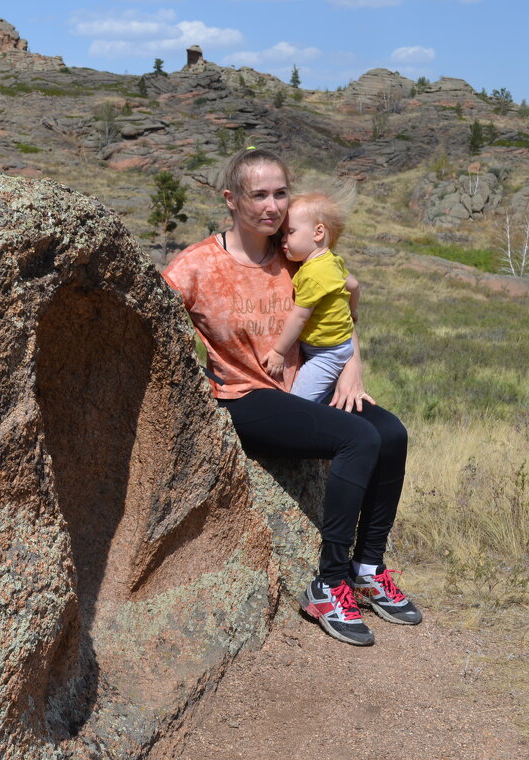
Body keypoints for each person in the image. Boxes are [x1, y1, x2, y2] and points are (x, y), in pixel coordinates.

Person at [162, 148, 421, 646]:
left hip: (308, 389)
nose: (272, 206)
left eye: (281, 193)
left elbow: (340, 304)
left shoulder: (295, 253)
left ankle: (368, 566)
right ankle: (329, 582)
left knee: (390, 432)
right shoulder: (196, 266)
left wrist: (352, 367)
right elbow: (151, 324)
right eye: (258, 194)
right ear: (231, 199)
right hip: (246, 399)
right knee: (357, 440)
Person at [261, 192, 358, 404]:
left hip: (326, 354)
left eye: (290, 232)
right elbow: (354, 285)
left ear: (318, 232)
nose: (283, 241)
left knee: (299, 403)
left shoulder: (313, 274)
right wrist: (353, 311)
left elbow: (300, 317)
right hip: (337, 346)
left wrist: (278, 352)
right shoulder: (332, 260)